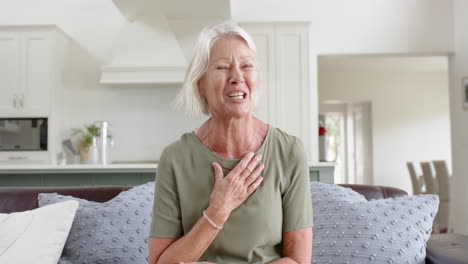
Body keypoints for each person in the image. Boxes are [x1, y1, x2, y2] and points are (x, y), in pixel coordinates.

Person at [148, 22, 313, 264]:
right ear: (200, 84)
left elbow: (297, 261)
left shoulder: (289, 152)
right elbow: (160, 262)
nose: (237, 77)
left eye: (247, 66)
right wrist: (218, 211)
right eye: (222, 67)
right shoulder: (175, 158)